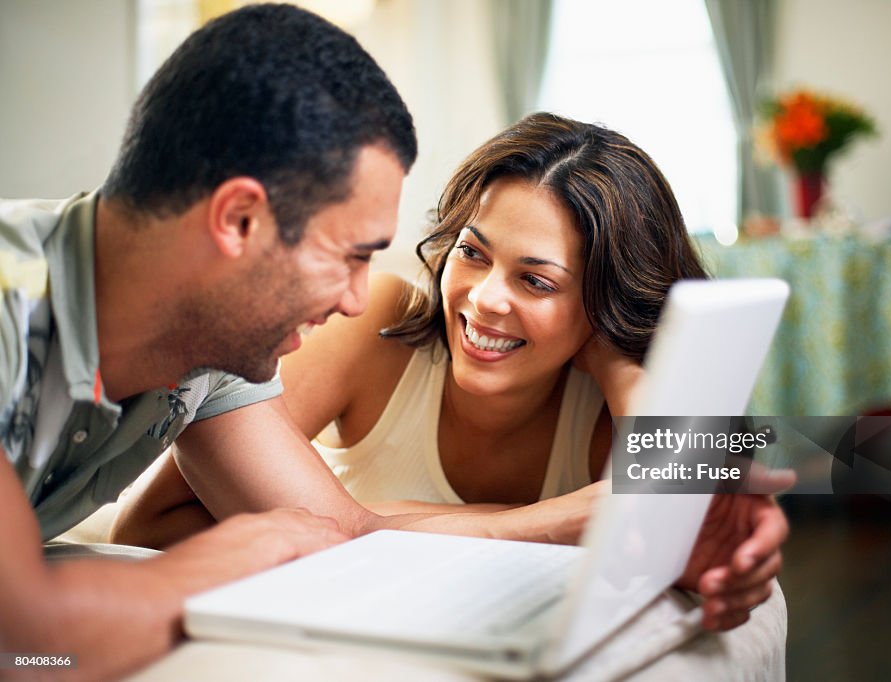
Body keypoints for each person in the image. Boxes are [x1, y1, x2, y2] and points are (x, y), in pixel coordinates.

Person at [0, 8, 602, 680]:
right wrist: (236, 555)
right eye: (349, 254)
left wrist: (657, 472)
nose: (353, 296)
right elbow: (30, 640)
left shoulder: (211, 346)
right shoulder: (372, 321)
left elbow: (334, 536)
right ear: (240, 219)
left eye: (541, 282)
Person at [114, 112, 793, 634]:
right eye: (472, 252)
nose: (482, 297)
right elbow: (147, 528)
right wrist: (550, 520)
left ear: (606, 300)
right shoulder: (372, 320)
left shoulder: (621, 391)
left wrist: (620, 364)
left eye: (536, 279)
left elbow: (695, 513)